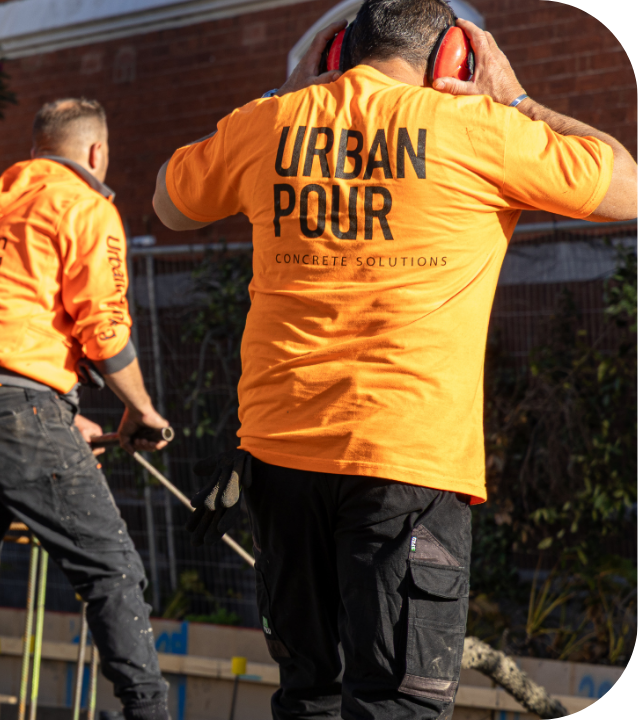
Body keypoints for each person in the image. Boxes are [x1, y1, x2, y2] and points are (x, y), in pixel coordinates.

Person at [153, 1, 638, 718]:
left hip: (280, 459)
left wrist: (282, 95)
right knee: (396, 704)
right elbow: (627, 183)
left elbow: (168, 202)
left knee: (307, 694)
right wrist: (518, 96)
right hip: (406, 459)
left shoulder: (269, 125)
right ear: (453, 61)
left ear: (336, 54)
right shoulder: (482, 130)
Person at [0, 98, 174, 720]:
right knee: (111, 571)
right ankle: (148, 712)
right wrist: (142, 411)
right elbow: (103, 324)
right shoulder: (86, 205)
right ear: (96, 153)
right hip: (6, 401)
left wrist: (60, 412)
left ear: (36, 150)